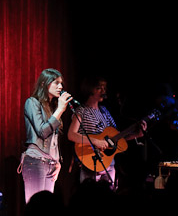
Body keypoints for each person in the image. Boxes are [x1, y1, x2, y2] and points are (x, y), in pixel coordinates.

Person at [67, 76, 146, 187]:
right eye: (99, 88)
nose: (104, 91)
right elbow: (71, 135)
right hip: (91, 163)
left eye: (104, 88)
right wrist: (95, 141)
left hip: (109, 164)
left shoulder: (104, 111)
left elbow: (116, 138)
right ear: (90, 89)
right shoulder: (82, 111)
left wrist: (136, 135)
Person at [19, 68, 73, 203]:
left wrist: (57, 161)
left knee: (47, 211)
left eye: (61, 83)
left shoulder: (53, 107)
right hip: (35, 161)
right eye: (56, 83)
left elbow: (54, 140)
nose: (60, 86)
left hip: (51, 164)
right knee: (36, 208)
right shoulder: (32, 103)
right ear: (43, 84)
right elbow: (43, 132)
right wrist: (60, 109)